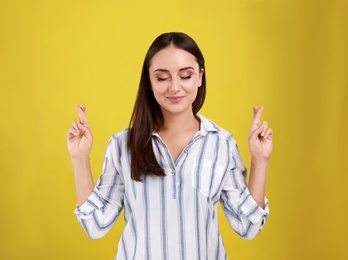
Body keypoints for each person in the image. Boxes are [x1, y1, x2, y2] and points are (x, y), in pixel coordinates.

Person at [67, 32, 273, 260]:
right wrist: (80, 157)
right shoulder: (123, 145)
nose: (175, 87)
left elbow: (247, 225)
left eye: (185, 76)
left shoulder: (221, 144)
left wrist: (259, 160)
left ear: (200, 77)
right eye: (162, 78)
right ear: (149, 81)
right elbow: (95, 224)